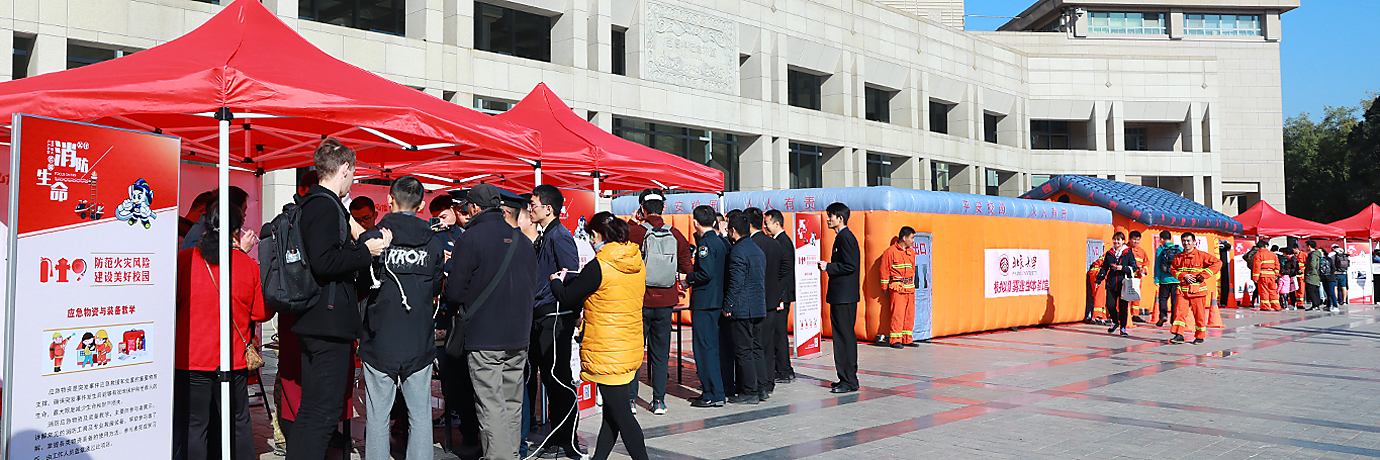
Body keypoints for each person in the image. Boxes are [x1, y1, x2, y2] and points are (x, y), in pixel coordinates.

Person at [288, 139, 392, 460]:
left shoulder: (314, 203)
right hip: (327, 323)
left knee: (313, 409)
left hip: (316, 319)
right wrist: (366, 252)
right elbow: (323, 261)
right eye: (354, 172)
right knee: (324, 412)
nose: (352, 179)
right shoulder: (323, 205)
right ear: (345, 168)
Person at [445, 183, 539, 460]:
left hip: (484, 336)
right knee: (512, 402)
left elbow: (455, 292)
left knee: (490, 405)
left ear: (474, 207)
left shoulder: (469, 239)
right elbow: (532, 287)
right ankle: (511, 454)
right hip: (518, 335)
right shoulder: (523, 241)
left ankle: (500, 457)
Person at [175, 201, 272, 460]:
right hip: (233, 359)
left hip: (191, 358)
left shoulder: (185, 260)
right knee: (239, 422)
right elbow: (260, 313)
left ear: (206, 224)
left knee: (195, 426)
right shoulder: (247, 265)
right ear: (238, 229)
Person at [357, 177, 445, 460]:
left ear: (390, 200)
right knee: (420, 416)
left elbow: (360, 286)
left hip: (379, 338)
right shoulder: (434, 243)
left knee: (378, 417)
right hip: (418, 338)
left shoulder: (370, 240)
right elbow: (435, 287)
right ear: (421, 205)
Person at [549, 212, 649, 460]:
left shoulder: (600, 266)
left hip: (607, 349)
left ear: (595, 235)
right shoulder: (635, 260)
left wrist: (556, 281)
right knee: (612, 414)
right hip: (628, 344)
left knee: (622, 415)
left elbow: (567, 296)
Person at [526, 185, 584, 459]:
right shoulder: (545, 235)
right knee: (549, 379)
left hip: (555, 316)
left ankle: (567, 440)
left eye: (533, 204)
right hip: (542, 315)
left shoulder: (559, 236)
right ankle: (556, 435)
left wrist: (570, 309)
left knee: (558, 379)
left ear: (548, 209)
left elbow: (571, 275)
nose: (530, 209)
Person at [624, 189, 692, 416]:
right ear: (663, 208)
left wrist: (632, 222)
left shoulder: (635, 232)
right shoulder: (675, 234)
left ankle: (631, 400)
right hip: (666, 302)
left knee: (635, 351)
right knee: (661, 354)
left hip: (640, 301)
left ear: (642, 209)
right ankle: (659, 401)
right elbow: (686, 266)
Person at [686, 205, 728, 408]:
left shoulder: (705, 244)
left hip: (705, 302)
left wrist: (688, 277)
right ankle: (713, 390)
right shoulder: (720, 242)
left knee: (704, 349)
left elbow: (706, 273)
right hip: (716, 300)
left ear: (695, 222)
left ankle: (712, 393)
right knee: (711, 347)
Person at [723, 213, 767, 404]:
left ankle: (750, 391)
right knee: (756, 348)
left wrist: (728, 305)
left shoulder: (737, 251)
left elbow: (736, 282)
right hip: (758, 306)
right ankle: (761, 388)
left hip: (742, 308)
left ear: (733, 230)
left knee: (743, 351)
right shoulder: (757, 249)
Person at [817, 202, 860, 393]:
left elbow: (850, 266)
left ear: (840, 218)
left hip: (844, 297)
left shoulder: (846, 238)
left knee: (844, 338)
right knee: (842, 337)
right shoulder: (842, 237)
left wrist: (828, 266)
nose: (828, 219)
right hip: (841, 296)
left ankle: (848, 380)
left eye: (831, 216)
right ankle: (846, 378)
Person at [744, 208, 787, 397]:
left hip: (755, 302)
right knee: (768, 344)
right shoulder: (774, 243)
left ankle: (758, 382)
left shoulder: (750, 245)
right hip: (771, 300)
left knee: (755, 344)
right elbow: (785, 268)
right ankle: (769, 381)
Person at [1168, 232, 1222, 345]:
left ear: (1194, 242)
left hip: (1198, 291)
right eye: (1184, 241)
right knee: (1179, 313)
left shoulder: (1202, 255)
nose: (1186, 243)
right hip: (1183, 291)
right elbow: (1173, 270)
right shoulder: (1178, 257)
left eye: (1188, 241)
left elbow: (1218, 263)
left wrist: (1203, 275)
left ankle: (1199, 336)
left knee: (1199, 315)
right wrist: (1184, 276)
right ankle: (1178, 335)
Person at [764, 209, 797, 383]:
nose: (765, 226)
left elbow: (784, 270)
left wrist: (779, 297)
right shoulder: (779, 240)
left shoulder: (782, 242)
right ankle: (785, 368)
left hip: (781, 296)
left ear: (777, 223)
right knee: (778, 332)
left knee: (779, 333)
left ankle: (783, 370)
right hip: (781, 295)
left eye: (767, 223)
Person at [879, 227, 918, 348]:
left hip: (909, 288)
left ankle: (907, 339)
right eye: (912, 238)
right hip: (897, 287)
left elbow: (913, 269)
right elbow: (884, 270)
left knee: (909, 315)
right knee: (898, 315)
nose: (913, 241)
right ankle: (895, 340)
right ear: (904, 238)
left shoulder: (911, 252)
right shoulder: (890, 252)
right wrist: (885, 287)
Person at [1096, 232, 1138, 337]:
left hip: (1124, 284)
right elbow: (1104, 268)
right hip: (1111, 283)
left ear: (1123, 241)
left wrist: (1122, 268)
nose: (1116, 242)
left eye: (1119, 240)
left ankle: (1123, 328)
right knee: (1110, 305)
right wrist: (1098, 279)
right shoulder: (1109, 253)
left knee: (1123, 307)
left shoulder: (1128, 253)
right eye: (1115, 239)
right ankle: (1115, 321)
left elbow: (1134, 267)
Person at [1153, 231, 1182, 327]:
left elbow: (1157, 266)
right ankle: (1174, 319)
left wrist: (1157, 279)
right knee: (1175, 301)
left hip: (1164, 280)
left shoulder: (1160, 249)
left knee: (1163, 299)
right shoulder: (1179, 248)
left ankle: (1163, 315)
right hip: (1176, 279)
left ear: (1161, 239)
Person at [1250, 238, 1282, 311]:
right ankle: (1277, 306)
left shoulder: (1258, 255)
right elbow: (1277, 265)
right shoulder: (1273, 254)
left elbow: (1257, 267)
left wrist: (1255, 278)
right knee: (1273, 291)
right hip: (1272, 275)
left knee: (1264, 291)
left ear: (1258, 248)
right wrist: (1276, 274)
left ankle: (1265, 306)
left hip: (1263, 276)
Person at [1126, 231, 1150, 322]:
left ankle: (1135, 314)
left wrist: (1144, 270)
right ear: (1129, 239)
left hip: (1137, 278)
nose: (1136, 242)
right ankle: (1125, 313)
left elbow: (1146, 262)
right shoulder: (1124, 249)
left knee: (1136, 295)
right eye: (1134, 239)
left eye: (1138, 240)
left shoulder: (1141, 251)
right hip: (1126, 277)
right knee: (1125, 295)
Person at [1304, 241, 1326, 311]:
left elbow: (1312, 265)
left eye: (1306, 246)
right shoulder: (1317, 254)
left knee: (1311, 290)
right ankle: (1316, 305)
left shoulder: (1313, 255)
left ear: (1309, 246)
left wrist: (1309, 272)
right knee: (1315, 290)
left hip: (1312, 275)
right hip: (1316, 275)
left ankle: (1315, 305)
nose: (1305, 247)